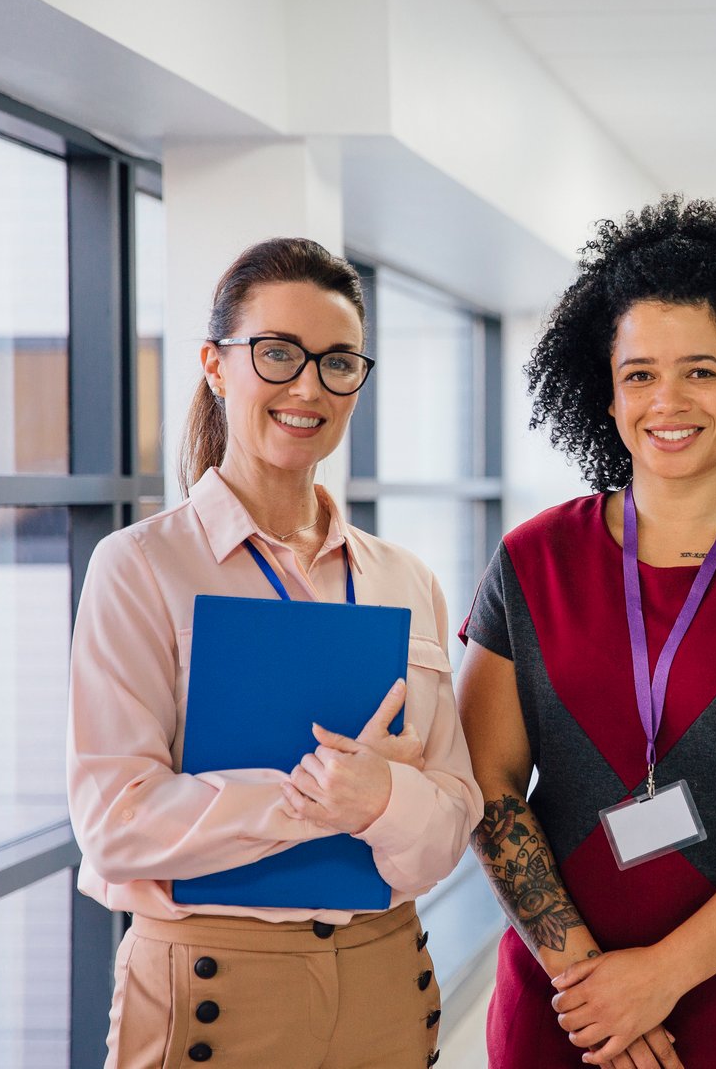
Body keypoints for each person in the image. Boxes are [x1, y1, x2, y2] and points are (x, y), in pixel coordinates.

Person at [456, 196, 716, 1069]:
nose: (668, 401)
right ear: (605, 389)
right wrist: (588, 981)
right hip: (561, 995)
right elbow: (487, 782)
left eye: (701, 371)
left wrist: (659, 976)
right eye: (640, 373)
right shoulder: (531, 561)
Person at [67, 237, 482, 1068]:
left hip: (385, 977)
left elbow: (449, 825)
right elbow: (114, 824)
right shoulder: (143, 566)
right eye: (277, 354)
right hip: (214, 989)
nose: (308, 387)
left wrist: (385, 802)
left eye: (338, 362)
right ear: (216, 368)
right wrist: (320, 801)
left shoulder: (405, 579)